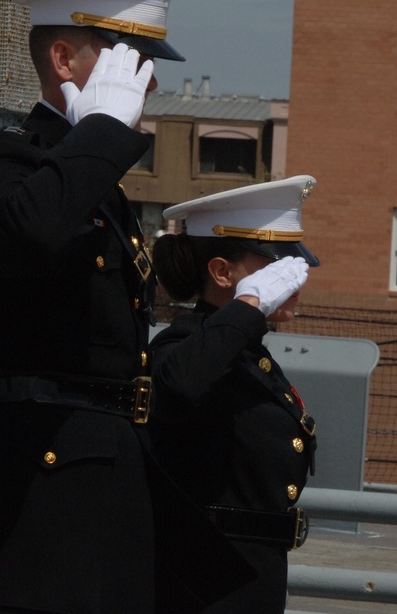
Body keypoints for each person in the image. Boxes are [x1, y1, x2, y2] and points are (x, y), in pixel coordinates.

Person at [0, 0, 252, 614]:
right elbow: (27, 234)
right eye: (128, 57)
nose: (148, 80)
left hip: (103, 489)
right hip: (30, 504)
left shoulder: (89, 186)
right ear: (64, 57)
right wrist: (99, 131)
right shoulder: (3, 169)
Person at [149, 175, 321, 613]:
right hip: (202, 586)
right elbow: (178, 385)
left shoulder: (249, 356)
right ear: (222, 272)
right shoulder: (184, 346)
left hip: (250, 579)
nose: (290, 278)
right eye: (274, 265)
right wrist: (248, 307)